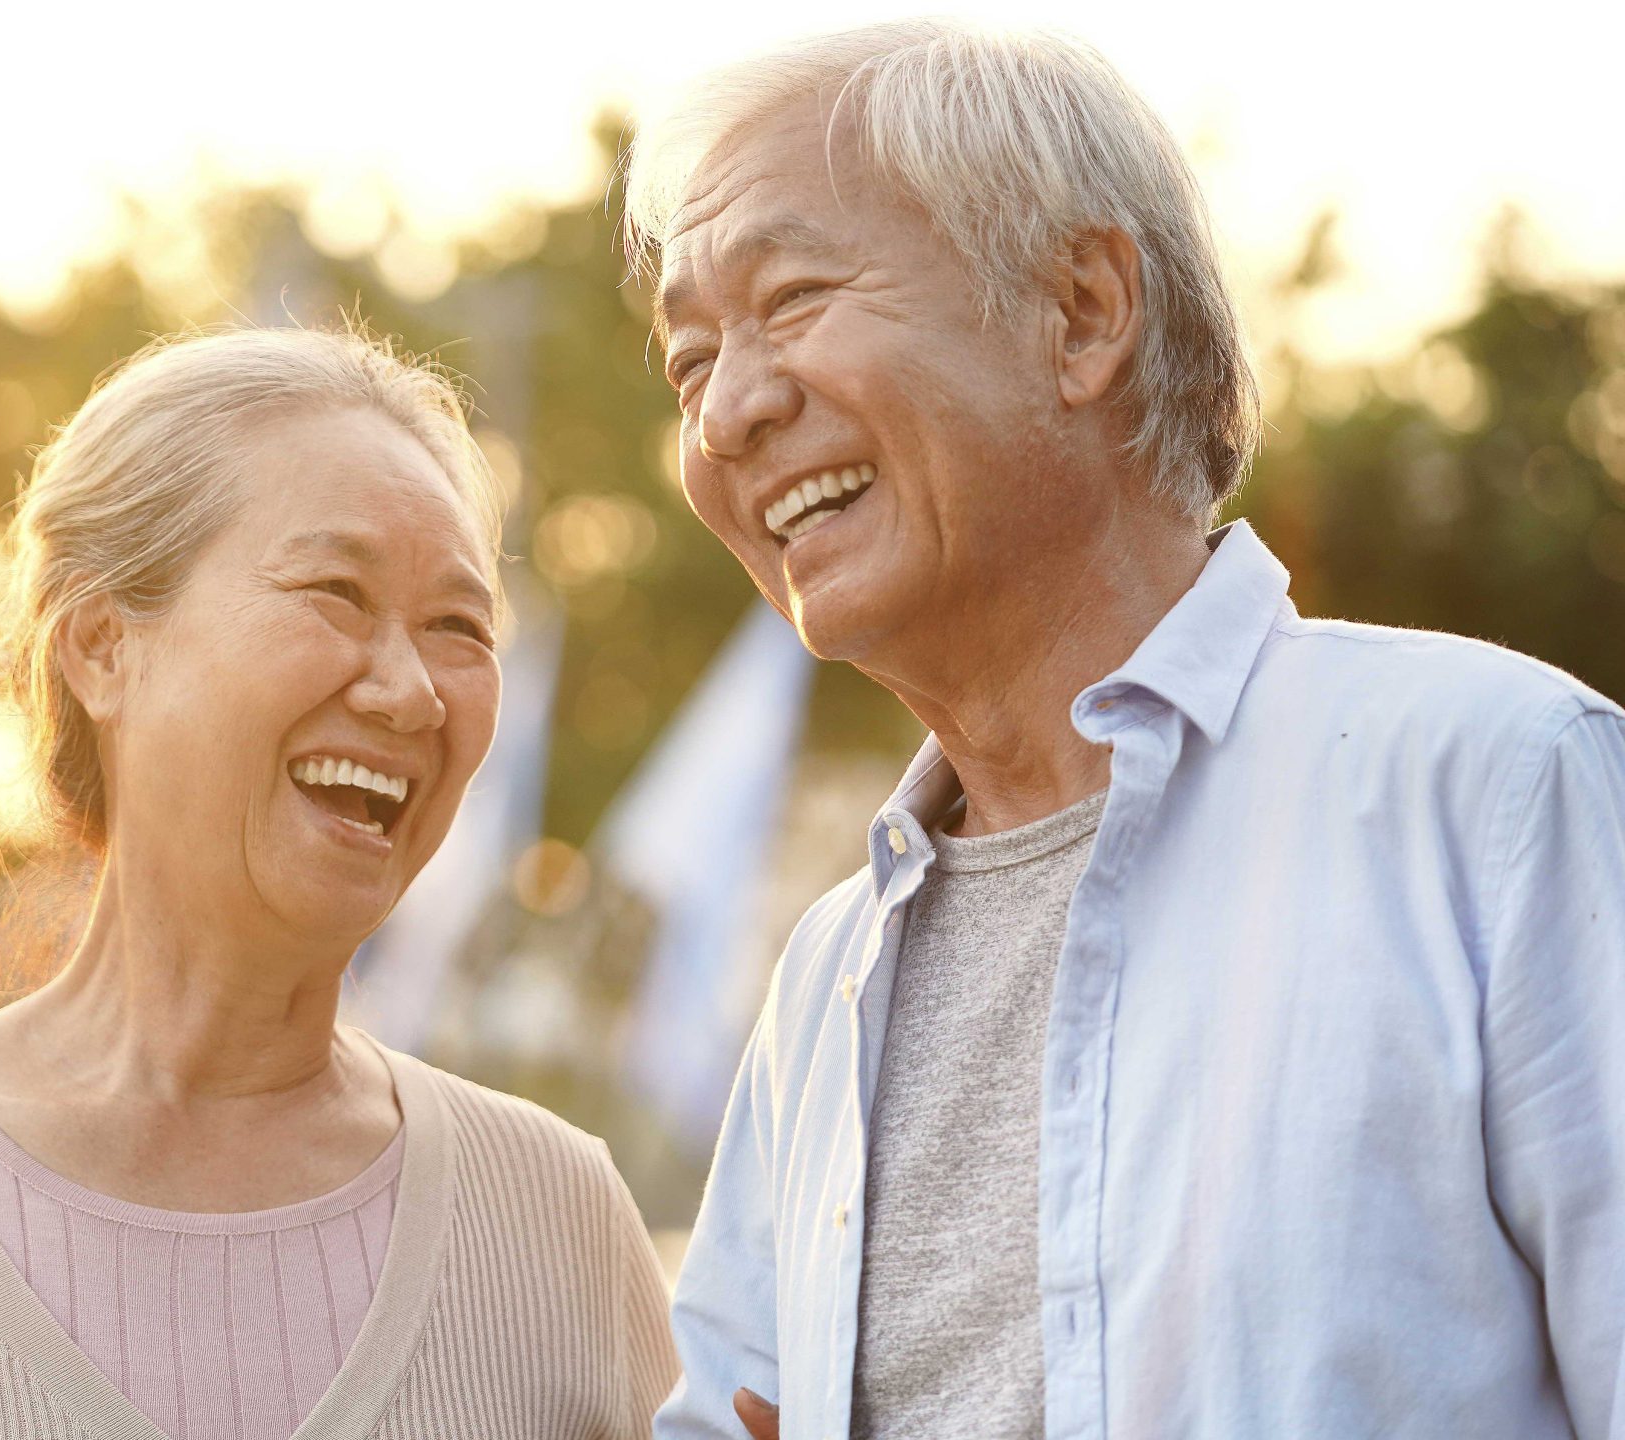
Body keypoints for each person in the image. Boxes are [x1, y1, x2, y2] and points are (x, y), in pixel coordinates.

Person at [625, 20, 1625, 1440]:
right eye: (688, 360)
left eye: (789, 299)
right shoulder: (825, 976)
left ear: (1083, 311)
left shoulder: (1500, 786)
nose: (726, 411)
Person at [0, 326, 677, 1440]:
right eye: (336, 593)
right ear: (102, 645)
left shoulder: (559, 1223)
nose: (410, 691)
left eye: (458, 626)